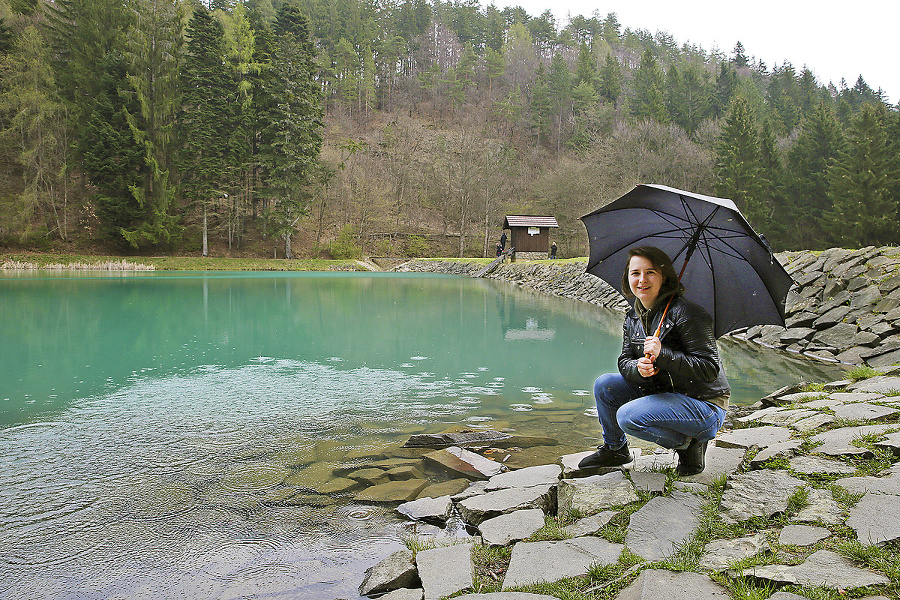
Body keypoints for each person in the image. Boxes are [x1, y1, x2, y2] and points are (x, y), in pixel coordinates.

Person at [578, 246, 730, 476]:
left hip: (704, 404)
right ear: (627, 277)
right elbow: (625, 360)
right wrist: (639, 369)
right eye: (635, 273)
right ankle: (616, 449)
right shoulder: (633, 316)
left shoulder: (689, 313)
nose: (641, 280)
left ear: (664, 277)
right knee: (604, 385)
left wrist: (664, 355)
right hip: (665, 393)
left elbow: (709, 369)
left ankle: (691, 444)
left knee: (628, 416)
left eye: (650, 272)